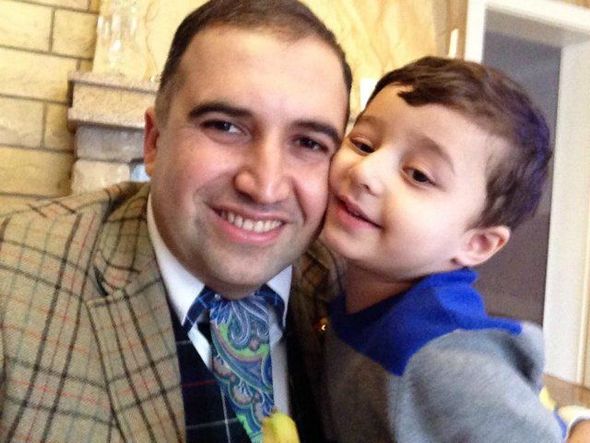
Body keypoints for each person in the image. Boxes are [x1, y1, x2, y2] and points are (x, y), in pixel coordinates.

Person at [0, 0, 350, 441]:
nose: (265, 187)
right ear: (153, 141)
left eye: (309, 143)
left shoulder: (359, 285)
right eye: (224, 126)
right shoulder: (13, 281)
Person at [319, 56, 565, 442]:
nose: (365, 172)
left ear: (476, 243)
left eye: (418, 175)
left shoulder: (443, 358)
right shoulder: (347, 294)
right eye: (363, 144)